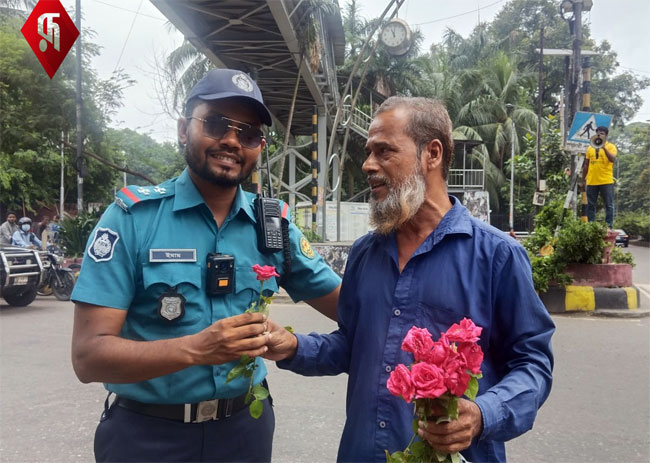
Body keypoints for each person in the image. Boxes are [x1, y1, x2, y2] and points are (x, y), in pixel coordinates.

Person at [70, 68, 341, 462]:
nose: (231, 141)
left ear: (259, 146)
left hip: (244, 433)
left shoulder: (274, 225)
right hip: (147, 437)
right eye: (215, 124)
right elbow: (88, 357)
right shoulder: (132, 219)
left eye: (247, 133)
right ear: (184, 129)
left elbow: (351, 305)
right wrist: (197, 349)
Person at [264, 97, 555, 463]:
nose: (368, 164)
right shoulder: (365, 253)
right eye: (369, 152)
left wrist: (483, 414)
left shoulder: (497, 256)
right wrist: (292, 345)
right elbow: (352, 345)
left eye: (384, 151)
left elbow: (532, 364)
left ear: (431, 154)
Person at [582, 125, 617, 229]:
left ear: (606, 136)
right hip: (592, 181)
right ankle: (591, 226)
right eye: (598, 133)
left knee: (608, 205)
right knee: (591, 205)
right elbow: (586, 165)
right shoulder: (590, 148)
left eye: (602, 134)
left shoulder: (611, 147)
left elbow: (613, 159)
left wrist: (603, 148)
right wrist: (583, 180)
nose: (599, 135)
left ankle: (608, 226)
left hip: (606, 181)